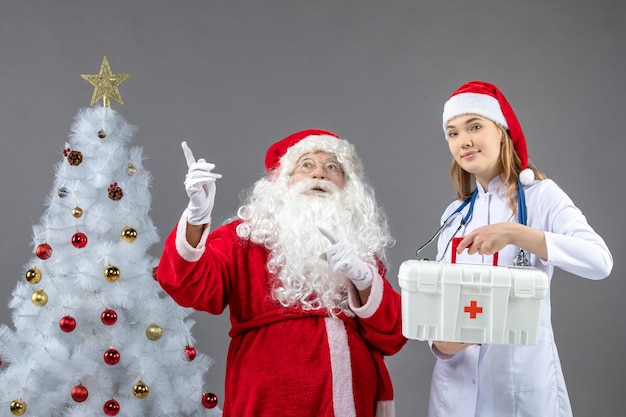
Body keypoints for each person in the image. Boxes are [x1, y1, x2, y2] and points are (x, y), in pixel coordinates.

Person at [156, 129, 407, 417]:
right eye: (306, 165)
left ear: (347, 185)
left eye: (332, 167)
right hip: (268, 400)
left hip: (348, 399)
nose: (320, 175)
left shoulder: (359, 249)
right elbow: (185, 284)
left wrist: (364, 280)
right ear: (281, 180)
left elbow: (394, 336)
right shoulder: (245, 237)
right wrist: (196, 217)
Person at [426, 80, 613, 417]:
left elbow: (600, 261)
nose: (463, 140)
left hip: (517, 385)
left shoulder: (541, 196)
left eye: (475, 126)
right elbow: (438, 302)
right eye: (452, 133)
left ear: (501, 131)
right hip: (454, 388)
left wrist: (517, 234)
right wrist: (440, 344)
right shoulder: (454, 214)